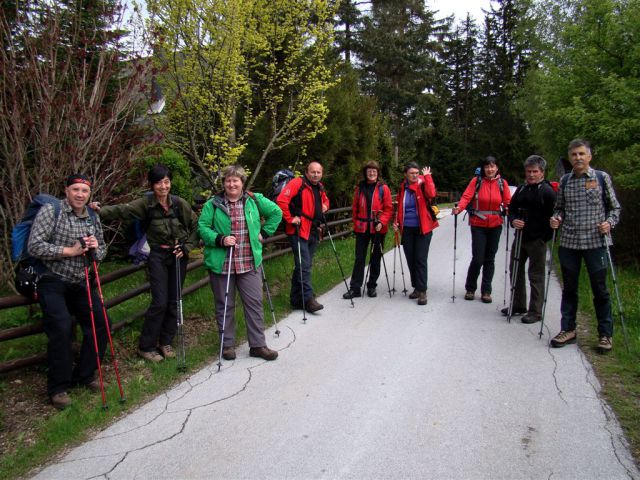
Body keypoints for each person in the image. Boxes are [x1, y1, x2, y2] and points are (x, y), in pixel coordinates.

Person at [91, 165, 199, 362]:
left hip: (178, 255)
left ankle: (165, 342)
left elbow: (195, 225)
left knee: (175, 300)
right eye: (159, 182)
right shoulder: (146, 204)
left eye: (166, 182)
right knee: (160, 302)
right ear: (152, 184)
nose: (163, 186)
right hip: (157, 255)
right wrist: (98, 211)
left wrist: (187, 247)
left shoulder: (178, 203)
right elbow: (121, 211)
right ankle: (146, 346)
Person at [27, 174, 109, 410]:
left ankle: (85, 374)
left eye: (84, 191)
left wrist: (95, 249)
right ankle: (58, 388)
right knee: (61, 327)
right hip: (52, 279)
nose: (80, 195)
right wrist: (69, 251)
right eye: (75, 190)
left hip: (80, 281)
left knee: (101, 322)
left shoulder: (92, 216)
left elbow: (102, 250)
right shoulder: (52, 211)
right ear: (66, 191)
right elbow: (35, 245)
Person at [198, 165, 282, 361]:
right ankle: (227, 345)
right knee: (225, 305)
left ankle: (258, 345)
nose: (232, 183)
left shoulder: (254, 200)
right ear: (224, 183)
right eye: (228, 180)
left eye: (236, 180)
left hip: (249, 262)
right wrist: (220, 239)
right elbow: (202, 227)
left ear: (242, 183)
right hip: (222, 264)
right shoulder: (214, 204)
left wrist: (265, 233)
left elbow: (276, 212)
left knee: (254, 303)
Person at [549, 139, 621, 353]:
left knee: (600, 289)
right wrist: (556, 218)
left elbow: (614, 208)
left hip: (596, 243)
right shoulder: (565, 181)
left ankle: (605, 334)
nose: (578, 158)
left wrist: (610, 223)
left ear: (589, 156)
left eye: (582, 154)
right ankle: (568, 330)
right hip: (569, 242)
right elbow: (559, 208)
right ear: (570, 158)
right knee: (569, 288)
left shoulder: (601, 178)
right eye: (574, 155)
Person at [502, 155, 556, 323]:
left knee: (536, 275)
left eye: (535, 172)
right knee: (515, 270)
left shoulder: (547, 191)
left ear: (542, 172)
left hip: (537, 240)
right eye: (528, 172)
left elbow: (554, 215)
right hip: (520, 237)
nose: (531, 175)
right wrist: (513, 220)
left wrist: (544, 237)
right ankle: (518, 304)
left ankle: (535, 311)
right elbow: (511, 209)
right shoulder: (522, 188)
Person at [453, 156, 511, 303]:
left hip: (496, 225)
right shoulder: (477, 181)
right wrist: (459, 208)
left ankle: (486, 291)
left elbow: (507, 202)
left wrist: (510, 211)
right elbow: (466, 197)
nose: (490, 169)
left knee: (489, 259)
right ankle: (470, 288)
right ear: (484, 169)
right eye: (487, 167)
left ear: (497, 168)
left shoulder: (502, 183)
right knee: (478, 258)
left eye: (492, 166)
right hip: (478, 224)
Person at [277, 161, 330, 313]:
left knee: (303, 265)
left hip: (313, 230)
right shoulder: (297, 183)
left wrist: (325, 206)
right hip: (298, 231)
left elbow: (325, 200)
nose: (315, 174)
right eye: (312, 171)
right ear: (306, 172)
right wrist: (289, 218)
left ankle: (295, 299)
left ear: (321, 173)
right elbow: (281, 201)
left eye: (318, 172)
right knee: (304, 265)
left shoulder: (319, 187)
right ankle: (308, 299)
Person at [343, 161, 394, 299]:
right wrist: (356, 222)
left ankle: (372, 285)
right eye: (369, 171)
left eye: (374, 171)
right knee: (359, 258)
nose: (372, 173)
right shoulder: (359, 188)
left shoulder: (383, 188)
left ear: (378, 173)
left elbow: (388, 209)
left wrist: (382, 222)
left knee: (376, 257)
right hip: (362, 228)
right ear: (365, 173)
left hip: (378, 228)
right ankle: (355, 288)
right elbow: (355, 208)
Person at [393, 162, 439, 306]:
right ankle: (416, 287)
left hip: (423, 229)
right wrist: (396, 222)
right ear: (406, 174)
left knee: (420, 259)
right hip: (407, 229)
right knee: (411, 259)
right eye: (412, 173)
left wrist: (428, 177)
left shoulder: (423, 184)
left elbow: (432, 194)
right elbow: (400, 207)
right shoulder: (403, 188)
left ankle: (422, 290)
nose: (415, 175)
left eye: (416, 172)